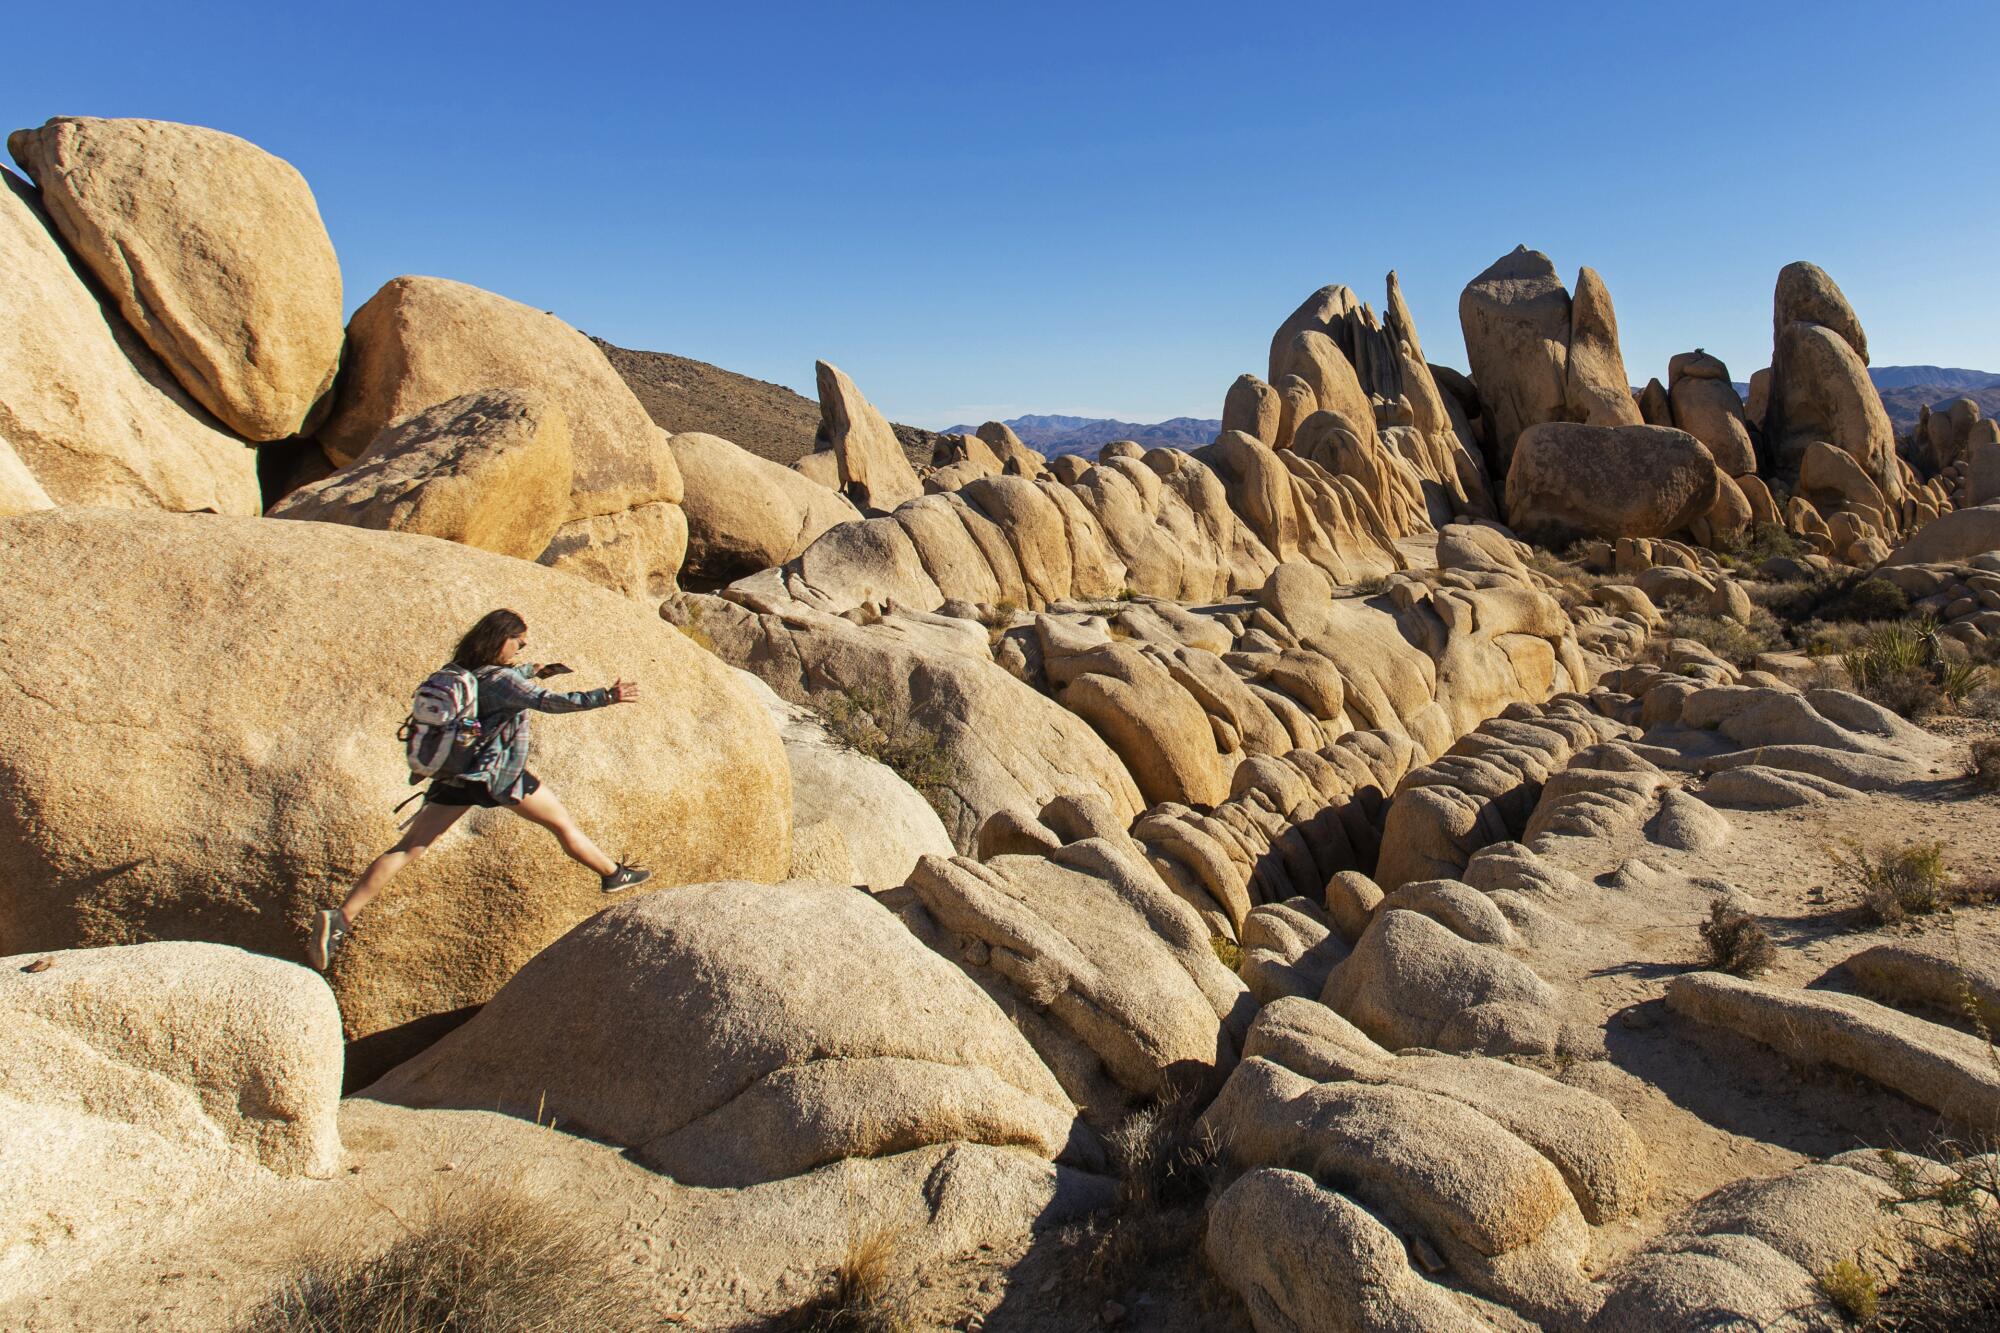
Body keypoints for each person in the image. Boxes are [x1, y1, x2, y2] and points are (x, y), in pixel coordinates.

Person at [309, 608, 651, 971]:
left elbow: (500, 683)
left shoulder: (461, 670)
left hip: (455, 773)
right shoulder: (504, 681)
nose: (523, 645)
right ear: (500, 639)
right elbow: (547, 702)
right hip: (499, 775)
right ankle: (614, 874)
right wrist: (606, 696)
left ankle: (341, 917)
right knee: (562, 824)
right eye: (518, 640)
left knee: (408, 848)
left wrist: (534, 669)